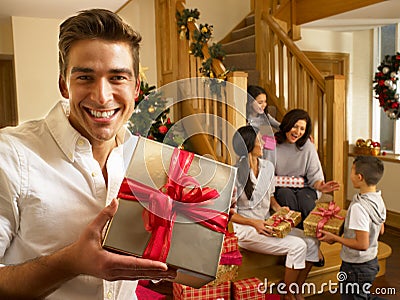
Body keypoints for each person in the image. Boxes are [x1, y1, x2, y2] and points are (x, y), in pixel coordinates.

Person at [0, 9, 176, 299]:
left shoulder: (148, 160)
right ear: (63, 85)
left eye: (117, 77)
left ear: (136, 88)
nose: (102, 96)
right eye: (85, 77)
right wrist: (70, 263)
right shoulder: (11, 154)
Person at [230, 125, 319, 300]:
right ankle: (287, 295)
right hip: (247, 230)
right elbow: (229, 214)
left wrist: (279, 209)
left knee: (312, 241)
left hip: (267, 223)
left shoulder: (268, 167)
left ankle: (295, 290)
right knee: (298, 245)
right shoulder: (234, 174)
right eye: (259, 140)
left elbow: (270, 196)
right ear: (248, 144)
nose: (263, 143)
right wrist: (253, 223)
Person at [274, 109, 340, 266]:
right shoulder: (274, 143)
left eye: (302, 129)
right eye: (295, 126)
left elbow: (314, 176)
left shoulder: (308, 146)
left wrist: (321, 186)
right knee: (286, 197)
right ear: (287, 124)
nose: (298, 132)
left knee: (305, 200)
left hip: (305, 187)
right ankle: (295, 245)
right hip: (281, 187)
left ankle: (314, 247)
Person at [319, 156, 386, 300]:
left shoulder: (359, 207)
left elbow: (362, 244)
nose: (350, 175)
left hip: (356, 267)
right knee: (363, 295)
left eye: (352, 171)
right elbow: (381, 230)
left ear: (359, 177)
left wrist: (335, 238)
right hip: (370, 262)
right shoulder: (377, 199)